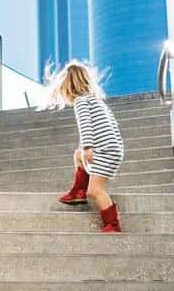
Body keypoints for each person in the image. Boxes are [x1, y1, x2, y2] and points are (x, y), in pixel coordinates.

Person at [48, 61, 124, 232]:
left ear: (68, 87)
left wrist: (88, 147)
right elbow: (110, 126)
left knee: (96, 190)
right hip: (112, 148)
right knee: (77, 154)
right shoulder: (96, 101)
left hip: (104, 150)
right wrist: (84, 149)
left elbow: (86, 126)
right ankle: (78, 191)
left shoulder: (81, 102)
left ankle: (112, 224)